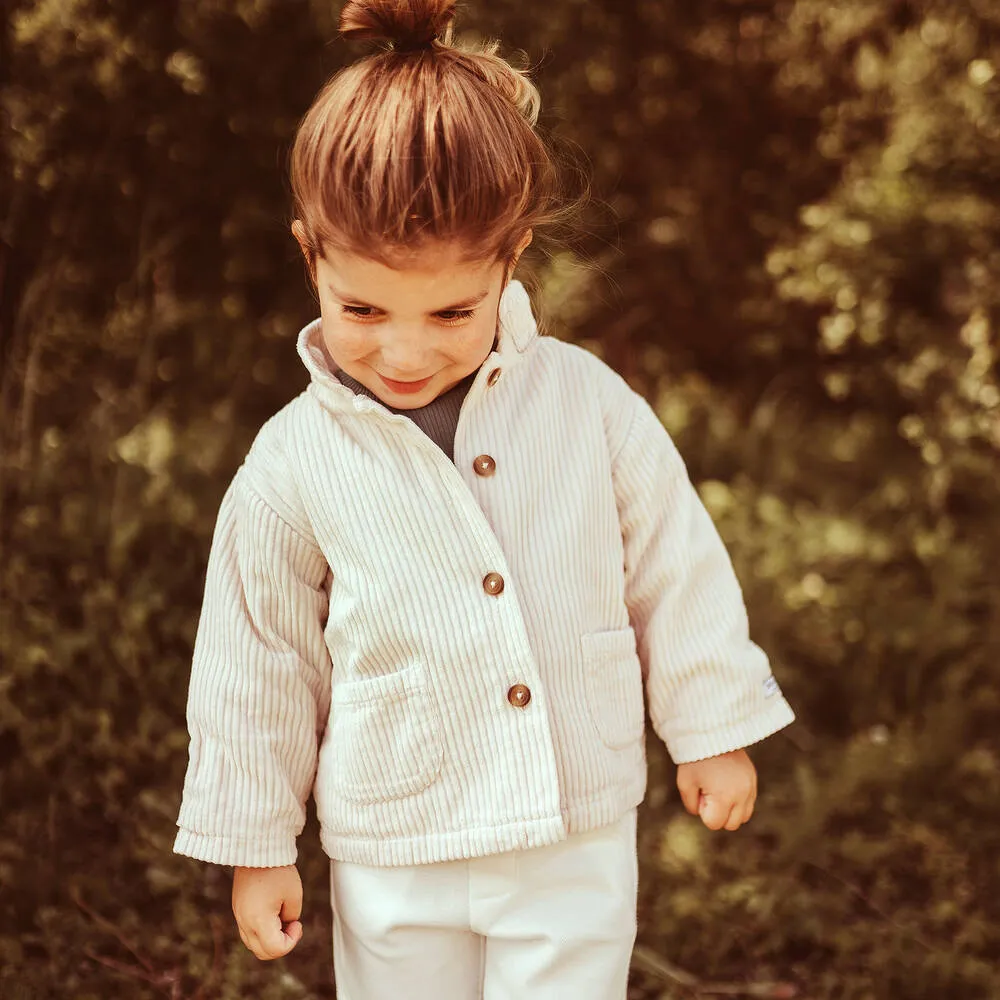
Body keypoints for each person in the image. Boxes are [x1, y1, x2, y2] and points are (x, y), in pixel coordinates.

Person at [173, 1, 796, 997]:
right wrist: (257, 841)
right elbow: (258, 659)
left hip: (572, 824)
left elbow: (673, 563)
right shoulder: (292, 460)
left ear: (510, 259)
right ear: (311, 257)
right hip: (394, 841)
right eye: (363, 309)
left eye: (451, 310)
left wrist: (711, 722)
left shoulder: (585, 403)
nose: (405, 351)